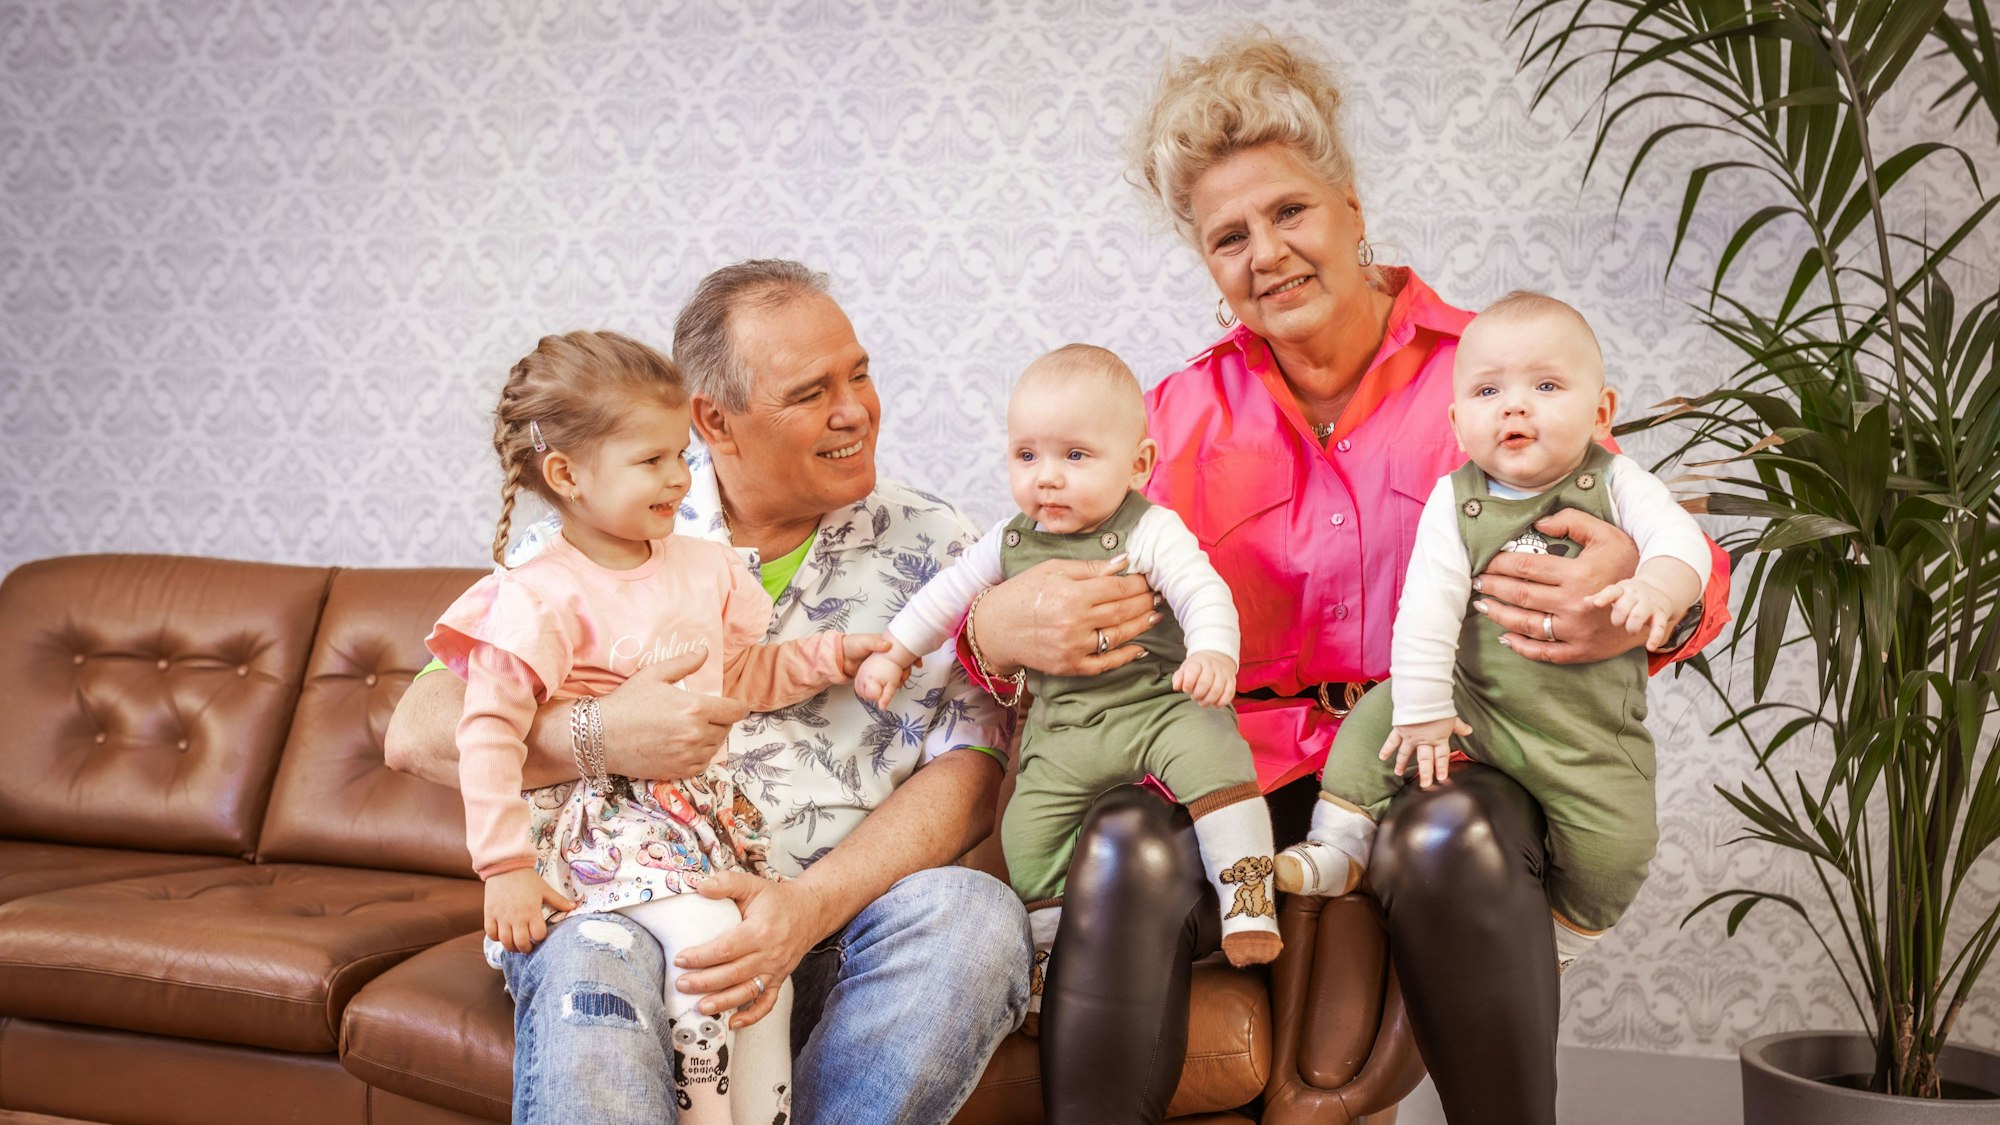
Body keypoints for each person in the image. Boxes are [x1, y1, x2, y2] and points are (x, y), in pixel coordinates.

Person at [960, 32, 1731, 1124]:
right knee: (1126, 842)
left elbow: (1693, 573)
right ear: (1204, 263)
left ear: (1351, 204)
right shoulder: (1170, 421)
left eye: (1288, 212)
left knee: (1447, 825)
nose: (1263, 252)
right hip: (1234, 766)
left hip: (1445, 756)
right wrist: (998, 621)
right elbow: (1016, 572)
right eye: (1226, 237)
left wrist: (1633, 602)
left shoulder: (1490, 375)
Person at [384, 260, 1030, 1125]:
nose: (855, 410)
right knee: (592, 958)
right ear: (713, 420)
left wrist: (802, 911)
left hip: (835, 920)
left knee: (976, 915)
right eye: (811, 391)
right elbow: (418, 730)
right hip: (620, 901)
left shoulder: (939, 543)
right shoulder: (594, 534)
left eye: (861, 374)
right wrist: (600, 733)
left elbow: (973, 766)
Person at [425, 330, 888, 1122]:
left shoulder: (702, 566)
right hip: (596, 828)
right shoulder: (539, 596)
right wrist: (501, 866)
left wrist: (832, 654)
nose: (682, 476)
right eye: (652, 461)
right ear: (566, 474)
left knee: (757, 970)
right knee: (715, 941)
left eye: (681, 454)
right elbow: (487, 733)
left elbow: (736, 680)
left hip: (692, 821)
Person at [1277, 292, 1709, 977]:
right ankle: (1340, 844)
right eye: (1487, 390)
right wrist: (1422, 710)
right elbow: (1426, 610)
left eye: (1545, 385)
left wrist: (1658, 585)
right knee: (1375, 722)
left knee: (1619, 847)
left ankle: (1564, 940)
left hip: (1587, 734)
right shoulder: (1456, 500)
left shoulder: (1617, 480)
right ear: (1457, 422)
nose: (1514, 405)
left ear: (1601, 412)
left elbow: (1681, 540)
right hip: (1473, 705)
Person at [855, 344, 1279, 1007]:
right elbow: (946, 595)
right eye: (1027, 456)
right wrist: (896, 651)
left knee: (1218, 765)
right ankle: (1048, 954)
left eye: (1074, 456)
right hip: (1066, 728)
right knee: (1026, 832)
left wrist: (1213, 652)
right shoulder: (1011, 538)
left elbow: (1202, 590)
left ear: (1138, 464)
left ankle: (1249, 898)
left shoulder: (1151, 529)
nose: (1046, 478)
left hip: (1161, 703)